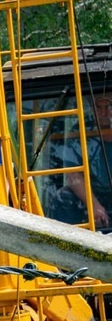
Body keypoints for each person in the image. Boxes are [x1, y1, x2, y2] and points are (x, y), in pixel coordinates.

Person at [49, 94, 112, 227]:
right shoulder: (80, 132)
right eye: (98, 107)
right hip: (92, 193)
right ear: (91, 109)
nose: (104, 113)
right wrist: (93, 205)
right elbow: (73, 174)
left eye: (109, 106)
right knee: (61, 197)